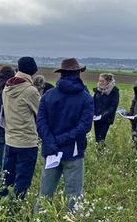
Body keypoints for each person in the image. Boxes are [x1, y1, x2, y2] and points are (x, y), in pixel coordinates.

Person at [36, 58, 94, 213]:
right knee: (74, 196)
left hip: (50, 152)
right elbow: (84, 127)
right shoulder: (86, 97)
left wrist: (52, 142)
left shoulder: (48, 95)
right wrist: (62, 140)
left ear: (61, 74)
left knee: (45, 194)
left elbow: (40, 123)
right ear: (78, 73)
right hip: (73, 153)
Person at [1, 57, 41, 200]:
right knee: (23, 180)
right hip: (26, 142)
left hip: (10, 139)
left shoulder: (7, 87)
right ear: (33, 71)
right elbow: (40, 113)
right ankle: (16, 208)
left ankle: (1, 204)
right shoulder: (30, 90)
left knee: (6, 178)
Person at [92, 73, 120, 143]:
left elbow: (113, 107)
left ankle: (101, 152)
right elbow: (93, 102)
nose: (100, 83)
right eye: (99, 81)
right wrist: (93, 113)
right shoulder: (98, 90)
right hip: (96, 118)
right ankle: (99, 153)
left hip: (106, 119)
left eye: (102, 81)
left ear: (108, 81)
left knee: (101, 139)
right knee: (97, 139)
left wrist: (102, 115)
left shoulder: (114, 91)